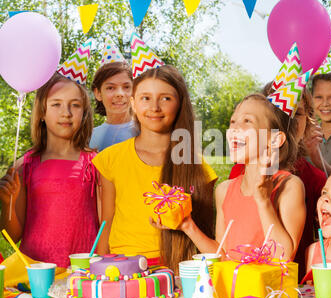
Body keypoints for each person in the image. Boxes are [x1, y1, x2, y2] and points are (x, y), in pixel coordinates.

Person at [92, 64, 218, 273]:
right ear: (133, 103)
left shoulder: (197, 166)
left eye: (166, 98)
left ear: (180, 104)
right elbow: (106, 222)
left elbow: (204, 235)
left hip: (176, 270)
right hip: (123, 268)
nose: (155, 107)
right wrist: (100, 270)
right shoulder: (110, 159)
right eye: (145, 98)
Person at [179, 91, 307, 261]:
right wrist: (187, 225)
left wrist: (263, 201)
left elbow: (283, 257)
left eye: (248, 121)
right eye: (233, 121)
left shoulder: (290, 186)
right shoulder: (224, 190)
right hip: (232, 287)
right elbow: (222, 256)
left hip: (269, 288)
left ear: (274, 140)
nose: (234, 128)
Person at [0, 73, 99, 267]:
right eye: (56, 104)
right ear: (42, 113)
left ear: (84, 113)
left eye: (75, 105)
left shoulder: (96, 163)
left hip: (81, 274)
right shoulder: (24, 166)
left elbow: (107, 226)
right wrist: (7, 204)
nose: (66, 113)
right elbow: (11, 235)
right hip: (37, 272)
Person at [229, 85, 326, 278]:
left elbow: (327, 241)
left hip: (292, 280)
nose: (286, 121)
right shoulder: (238, 173)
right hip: (246, 277)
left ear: (308, 122)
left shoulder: (315, 178)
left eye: (295, 114)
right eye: (279, 113)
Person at [90, 61, 138, 151]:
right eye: (110, 88)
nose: (119, 94)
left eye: (126, 87)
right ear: (98, 93)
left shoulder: (147, 133)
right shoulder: (89, 138)